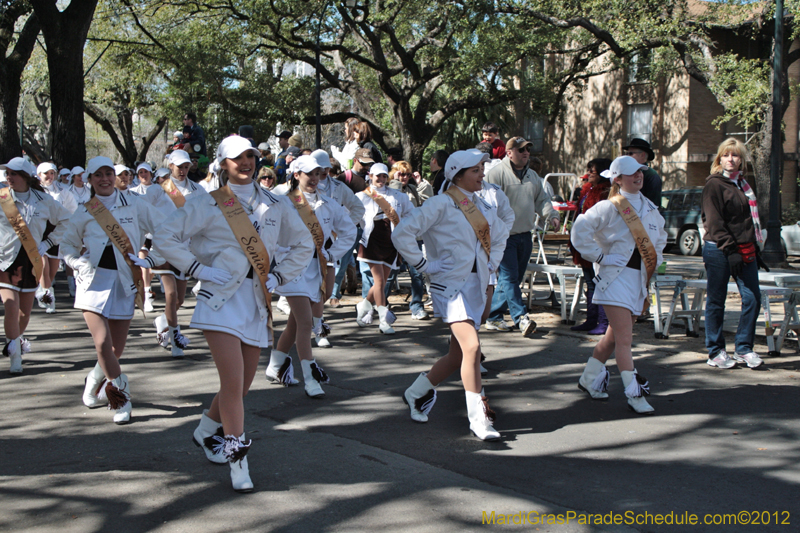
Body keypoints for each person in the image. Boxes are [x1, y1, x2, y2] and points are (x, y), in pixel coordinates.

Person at [154, 136, 314, 492]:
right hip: (219, 299)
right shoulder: (206, 203)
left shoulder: (276, 203)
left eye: (250, 156)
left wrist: (280, 275)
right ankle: (237, 458)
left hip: (257, 301)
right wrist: (198, 268)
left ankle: (205, 431)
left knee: (241, 388)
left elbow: (304, 243)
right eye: (237, 158)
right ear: (222, 164)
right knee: (231, 382)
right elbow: (165, 237)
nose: (245, 162)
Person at [392, 149, 509, 440]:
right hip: (449, 288)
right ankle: (479, 419)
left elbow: (501, 235)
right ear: (457, 174)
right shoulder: (440, 204)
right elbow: (402, 233)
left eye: (482, 168)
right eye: (476, 170)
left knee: (458, 354)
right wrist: (423, 265)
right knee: (472, 348)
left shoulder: (485, 205)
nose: (482, 173)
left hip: (476, 285)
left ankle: (416, 391)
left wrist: (491, 272)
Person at [62, 156, 165, 423]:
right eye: (98, 175)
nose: (105, 179)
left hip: (124, 281)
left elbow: (165, 227)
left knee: (114, 350)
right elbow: (68, 247)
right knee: (101, 343)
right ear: (90, 179)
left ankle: (92, 384)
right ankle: (120, 395)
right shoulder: (84, 211)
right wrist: (77, 263)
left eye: (109, 173)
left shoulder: (136, 203)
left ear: (116, 176)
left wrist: (151, 258)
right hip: (91, 283)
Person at [570, 155, 667, 414]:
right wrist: (599, 256)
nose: (638, 176)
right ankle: (634, 395)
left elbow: (659, 239)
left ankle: (589, 379)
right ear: (617, 178)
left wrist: (655, 265)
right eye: (632, 173)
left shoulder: (649, 207)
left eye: (640, 172)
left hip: (638, 280)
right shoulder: (609, 207)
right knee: (625, 338)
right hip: (615, 278)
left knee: (614, 337)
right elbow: (579, 229)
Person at [269, 155, 356, 392]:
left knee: (296, 324)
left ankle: (275, 364)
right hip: (291, 270)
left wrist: (330, 254)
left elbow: (348, 231)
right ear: (296, 175)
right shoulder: (283, 202)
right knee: (306, 322)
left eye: (319, 173)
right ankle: (311, 377)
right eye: (310, 174)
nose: (315, 179)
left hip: (317, 269)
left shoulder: (328, 204)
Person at [701, 138, 768, 370]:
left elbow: (748, 221)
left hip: (745, 249)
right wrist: (730, 250)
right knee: (716, 301)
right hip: (719, 249)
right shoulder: (714, 184)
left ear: (741, 159)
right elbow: (714, 222)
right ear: (719, 158)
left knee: (752, 298)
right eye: (726, 155)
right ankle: (716, 351)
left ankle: (743, 348)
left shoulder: (743, 185)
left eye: (736, 155)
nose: (731, 159)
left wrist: (754, 247)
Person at [0, 158, 71, 374]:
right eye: (8, 173)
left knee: (24, 313)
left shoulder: (44, 200)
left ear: (25, 176)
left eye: (14, 173)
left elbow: (66, 221)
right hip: (5, 260)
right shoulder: (2, 198)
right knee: (10, 305)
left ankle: (16, 341)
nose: (9, 177)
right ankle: (15, 355)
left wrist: (48, 243)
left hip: (32, 261)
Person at [485, 136, 560, 336]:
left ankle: (493, 317)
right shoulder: (496, 174)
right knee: (509, 278)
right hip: (504, 236)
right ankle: (521, 318)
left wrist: (552, 215)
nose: (526, 153)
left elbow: (542, 199)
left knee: (513, 279)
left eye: (528, 150)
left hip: (525, 235)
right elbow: (487, 203)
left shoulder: (533, 176)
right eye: (521, 150)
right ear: (509, 153)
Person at [145, 149, 207, 357]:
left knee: (179, 299)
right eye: (179, 166)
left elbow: (208, 214)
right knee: (170, 294)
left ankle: (163, 320)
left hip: (186, 249)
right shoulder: (158, 190)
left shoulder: (198, 190)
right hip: (163, 248)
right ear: (170, 166)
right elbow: (143, 213)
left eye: (186, 166)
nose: (183, 170)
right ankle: (174, 340)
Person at [355, 163, 414, 334]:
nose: (380, 179)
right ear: (370, 176)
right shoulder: (361, 196)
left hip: (391, 241)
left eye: (383, 176)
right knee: (379, 281)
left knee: (383, 281)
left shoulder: (398, 196)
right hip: (372, 240)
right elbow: (351, 214)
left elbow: (411, 213)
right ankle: (383, 320)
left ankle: (364, 304)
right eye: (377, 176)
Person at [311, 149, 365, 318]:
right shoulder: (301, 188)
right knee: (307, 287)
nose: (323, 172)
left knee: (327, 286)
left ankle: (329, 299)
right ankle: (313, 323)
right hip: (307, 242)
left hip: (330, 241)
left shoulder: (339, 187)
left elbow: (358, 207)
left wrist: (342, 226)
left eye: (326, 168)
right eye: (318, 169)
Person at [569, 158, 612, 335]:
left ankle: (604, 321)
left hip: (598, 244)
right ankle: (591, 318)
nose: (589, 174)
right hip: (585, 244)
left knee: (600, 283)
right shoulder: (588, 190)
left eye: (592, 171)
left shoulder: (606, 193)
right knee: (590, 283)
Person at [36, 161, 78, 314]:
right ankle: (48, 296)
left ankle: (45, 290)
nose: (49, 176)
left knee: (52, 269)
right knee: (43, 265)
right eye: (46, 173)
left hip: (58, 231)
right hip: (39, 230)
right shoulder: (34, 191)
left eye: (52, 173)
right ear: (39, 175)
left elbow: (72, 210)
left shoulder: (63, 191)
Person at [388, 160, 428, 320]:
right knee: (390, 273)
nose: (404, 177)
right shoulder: (389, 189)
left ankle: (417, 306)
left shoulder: (412, 189)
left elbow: (425, 205)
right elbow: (392, 204)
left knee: (417, 272)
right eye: (401, 174)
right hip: (394, 237)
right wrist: (396, 182)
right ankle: (381, 304)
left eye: (407, 174)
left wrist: (420, 184)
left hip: (413, 238)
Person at [622, 138, 661, 207]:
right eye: (626, 153)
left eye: (630, 153)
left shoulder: (651, 175)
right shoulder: (625, 172)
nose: (627, 156)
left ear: (642, 155)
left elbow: (653, 205)